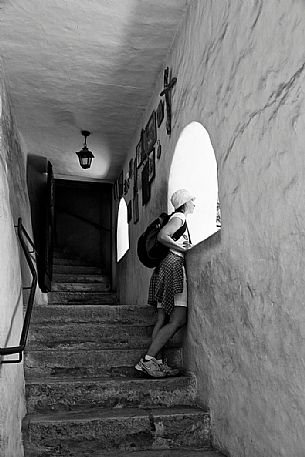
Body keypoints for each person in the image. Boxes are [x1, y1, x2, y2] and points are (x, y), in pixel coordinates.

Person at [135, 189, 196, 378]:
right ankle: (147, 359)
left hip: (163, 267)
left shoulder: (174, 216)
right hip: (173, 267)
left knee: (162, 319)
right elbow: (162, 236)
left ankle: (157, 362)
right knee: (178, 319)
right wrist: (182, 248)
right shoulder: (179, 217)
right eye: (192, 201)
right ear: (185, 203)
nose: (194, 204)